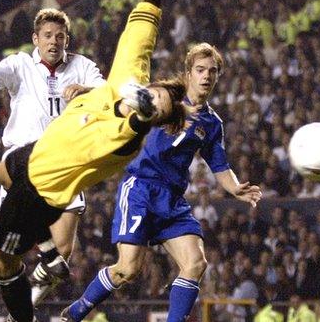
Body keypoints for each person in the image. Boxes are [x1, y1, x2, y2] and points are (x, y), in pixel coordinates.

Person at [0, 0, 187, 321]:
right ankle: (46, 248)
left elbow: (130, 126)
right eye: (156, 93)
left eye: (160, 109)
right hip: (32, 151)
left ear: (155, 120)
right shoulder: (128, 80)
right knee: (0, 169)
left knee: (3, 262)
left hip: (40, 189)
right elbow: (140, 36)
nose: (154, 100)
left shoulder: (126, 139)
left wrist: (141, 114)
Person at [60, 43, 262, 321]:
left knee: (195, 263)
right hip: (140, 188)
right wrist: (88, 92)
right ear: (188, 73)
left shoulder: (212, 123)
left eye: (212, 72)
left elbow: (220, 165)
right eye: (200, 70)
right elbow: (122, 94)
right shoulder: (167, 98)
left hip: (173, 201)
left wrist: (236, 188)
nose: (206, 76)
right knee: (127, 270)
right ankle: (79, 308)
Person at [0, 6, 106, 322]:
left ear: (67, 39)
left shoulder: (82, 66)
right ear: (36, 38)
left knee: (61, 255)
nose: (54, 41)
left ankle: (21, 309)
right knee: (8, 250)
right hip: (23, 164)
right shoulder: (20, 64)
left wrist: (86, 90)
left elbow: (107, 92)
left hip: (66, 165)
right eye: (47, 35)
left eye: (60, 36)